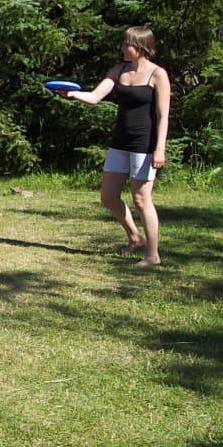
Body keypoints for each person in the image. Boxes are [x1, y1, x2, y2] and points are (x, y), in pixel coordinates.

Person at [56, 26, 170, 267]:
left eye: (127, 44)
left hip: (144, 144)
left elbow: (163, 116)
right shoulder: (119, 70)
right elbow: (95, 97)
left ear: (141, 47)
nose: (123, 48)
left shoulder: (157, 74)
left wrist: (159, 149)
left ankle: (152, 255)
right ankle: (135, 237)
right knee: (108, 197)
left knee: (141, 199)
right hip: (119, 142)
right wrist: (72, 95)